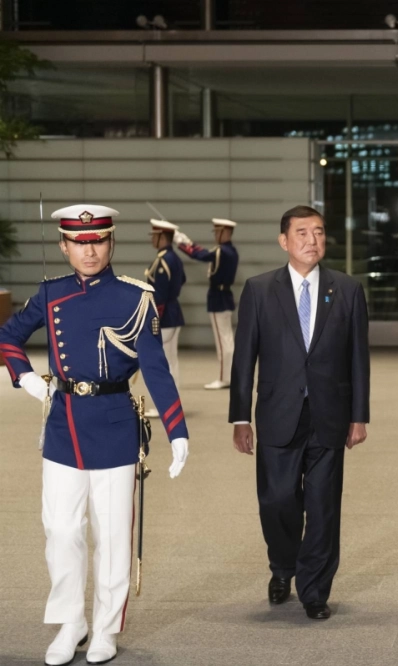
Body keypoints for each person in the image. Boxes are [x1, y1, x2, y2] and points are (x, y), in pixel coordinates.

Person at [0, 204, 189, 666]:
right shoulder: (51, 293)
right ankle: (71, 623)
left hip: (114, 425)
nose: (90, 251)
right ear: (64, 246)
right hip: (63, 424)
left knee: (111, 535)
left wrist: (177, 430)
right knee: (61, 530)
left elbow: (156, 369)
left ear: (111, 242)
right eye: (79, 243)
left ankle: (104, 627)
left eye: (98, 241)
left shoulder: (135, 297)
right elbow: (8, 336)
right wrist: (26, 378)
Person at [229, 205, 370, 621]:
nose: (312, 240)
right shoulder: (259, 290)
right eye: (303, 233)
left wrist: (359, 416)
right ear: (284, 241)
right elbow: (244, 359)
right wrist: (240, 418)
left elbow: (358, 358)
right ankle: (282, 566)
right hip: (278, 413)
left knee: (324, 508)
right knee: (277, 501)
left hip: (330, 414)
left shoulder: (347, 290)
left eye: (319, 232)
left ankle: (314, 589)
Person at [174, 219, 240, 390]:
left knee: (223, 342)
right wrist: (188, 243)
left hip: (218, 298)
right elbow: (205, 252)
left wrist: (182, 244)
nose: (215, 235)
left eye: (217, 231)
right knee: (227, 340)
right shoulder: (230, 250)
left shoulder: (222, 251)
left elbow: (201, 255)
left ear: (225, 232)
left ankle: (224, 378)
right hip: (224, 296)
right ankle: (230, 376)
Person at [146, 219, 185, 390]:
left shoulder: (163, 260)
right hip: (174, 311)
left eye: (154, 236)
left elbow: (159, 295)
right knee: (171, 359)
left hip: (164, 316)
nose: (151, 239)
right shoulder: (174, 258)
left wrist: (152, 319)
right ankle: (173, 397)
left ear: (161, 237)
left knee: (163, 361)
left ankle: (167, 399)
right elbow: (182, 279)